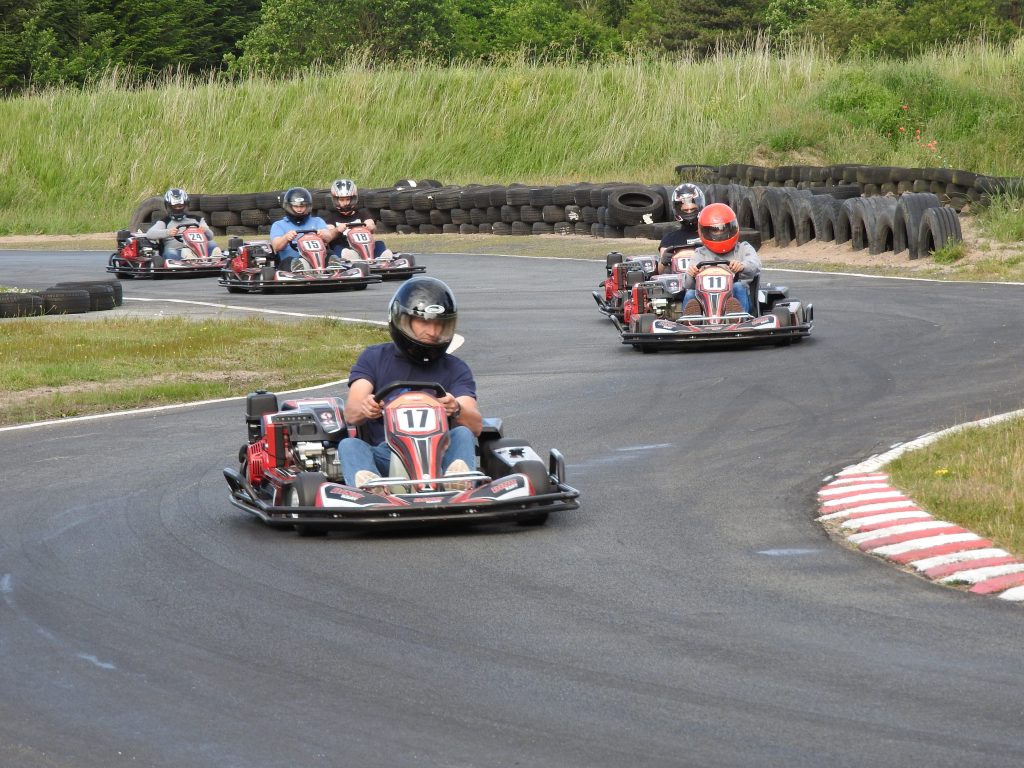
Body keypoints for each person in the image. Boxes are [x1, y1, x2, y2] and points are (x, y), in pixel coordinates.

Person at [340, 276, 483, 494]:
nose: (433, 332)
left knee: (462, 433)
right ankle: (372, 489)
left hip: (440, 456)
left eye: (439, 324)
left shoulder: (456, 368)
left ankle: (459, 482)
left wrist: (457, 409)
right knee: (349, 445)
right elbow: (351, 413)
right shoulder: (374, 358)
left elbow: (475, 425)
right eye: (425, 322)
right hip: (387, 455)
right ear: (403, 320)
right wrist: (366, 407)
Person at [681, 203, 761, 315]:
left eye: (722, 229)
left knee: (738, 286)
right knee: (690, 294)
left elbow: (755, 265)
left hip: (738, 298)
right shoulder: (700, 253)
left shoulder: (743, 248)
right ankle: (691, 322)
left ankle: (737, 317)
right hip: (706, 304)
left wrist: (742, 266)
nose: (719, 233)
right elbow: (688, 285)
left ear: (731, 228)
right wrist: (692, 273)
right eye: (714, 230)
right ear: (705, 231)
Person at [323, 179, 394, 261]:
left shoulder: (362, 213)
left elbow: (371, 224)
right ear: (336, 200)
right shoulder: (331, 217)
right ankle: (353, 260)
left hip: (364, 247)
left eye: (347, 199)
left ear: (353, 199)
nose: (345, 203)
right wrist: (337, 230)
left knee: (379, 244)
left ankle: (384, 259)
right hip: (345, 248)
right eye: (342, 200)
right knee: (337, 247)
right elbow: (328, 236)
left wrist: (370, 226)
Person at [144, 188, 222, 262]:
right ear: (169, 207)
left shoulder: (197, 219)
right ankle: (189, 260)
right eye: (175, 207)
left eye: (180, 206)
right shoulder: (165, 222)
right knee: (170, 253)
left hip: (198, 250)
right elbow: (150, 234)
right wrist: (168, 232)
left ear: (185, 205)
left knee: (212, 244)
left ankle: (214, 260)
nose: (178, 209)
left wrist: (205, 230)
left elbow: (211, 236)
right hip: (176, 251)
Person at [269, 187, 337, 271]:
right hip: (291, 263)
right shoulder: (279, 225)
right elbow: (276, 246)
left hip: (318, 261)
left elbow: (328, 236)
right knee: (290, 261)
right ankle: (301, 269)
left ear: (308, 206)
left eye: (302, 206)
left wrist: (323, 234)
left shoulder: (317, 221)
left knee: (330, 254)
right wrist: (286, 238)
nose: (299, 210)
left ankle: (335, 272)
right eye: (296, 206)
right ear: (289, 206)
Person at [657, 183, 705, 275]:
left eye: (693, 209)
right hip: (677, 283)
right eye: (686, 210)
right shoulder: (670, 239)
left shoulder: (709, 235)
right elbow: (660, 272)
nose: (689, 213)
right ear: (678, 211)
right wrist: (664, 261)